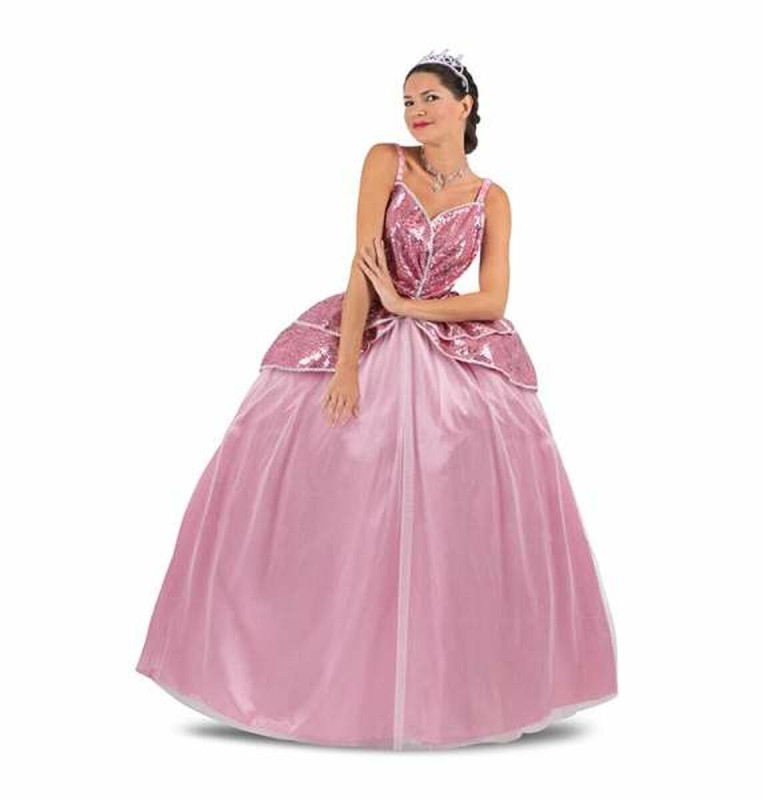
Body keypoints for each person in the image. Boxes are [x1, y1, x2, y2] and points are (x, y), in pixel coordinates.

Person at [135, 48, 618, 751]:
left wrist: (413, 306)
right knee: (333, 479)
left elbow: (492, 299)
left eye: (429, 99)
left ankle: (466, 680)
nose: (416, 112)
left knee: (464, 494)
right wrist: (347, 365)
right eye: (408, 102)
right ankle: (293, 663)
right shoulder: (385, 162)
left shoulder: (492, 198)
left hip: (448, 342)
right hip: (367, 330)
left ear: (465, 106)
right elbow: (362, 262)